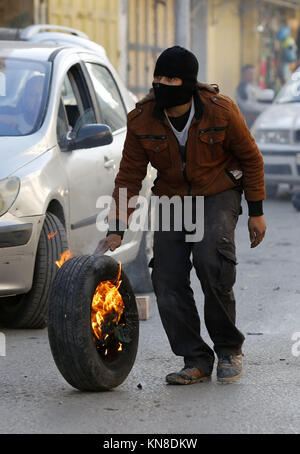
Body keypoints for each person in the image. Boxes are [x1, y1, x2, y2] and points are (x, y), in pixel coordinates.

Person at [97, 46, 266, 385]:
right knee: (167, 277)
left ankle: (229, 349)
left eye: (170, 78)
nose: (161, 84)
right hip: (173, 197)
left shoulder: (222, 111)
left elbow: (251, 159)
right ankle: (195, 359)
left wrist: (256, 212)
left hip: (218, 191)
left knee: (211, 261)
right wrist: (116, 226)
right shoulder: (142, 118)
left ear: (187, 83)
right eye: (157, 77)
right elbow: (129, 175)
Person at [236, 64, 272, 128]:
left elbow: (261, 97)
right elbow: (248, 106)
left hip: (258, 116)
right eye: (249, 73)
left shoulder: (253, 85)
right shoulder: (242, 88)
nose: (252, 75)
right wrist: (267, 108)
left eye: (253, 73)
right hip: (250, 121)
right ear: (243, 74)